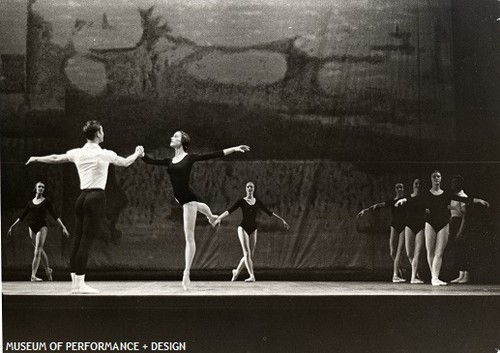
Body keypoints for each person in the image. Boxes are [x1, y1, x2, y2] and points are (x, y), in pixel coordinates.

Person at [26, 120, 144, 294]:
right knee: (86, 241)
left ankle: (75, 283)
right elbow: (126, 162)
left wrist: (36, 158)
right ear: (97, 134)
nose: (104, 133)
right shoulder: (105, 154)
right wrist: (137, 153)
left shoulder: (77, 153)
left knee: (78, 239)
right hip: (95, 198)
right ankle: (80, 283)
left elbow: (55, 158)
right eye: (102, 131)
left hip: (81, 198)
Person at [142, 130, 250, 290]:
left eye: (176, 136)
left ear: (183, 141)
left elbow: (213, 155)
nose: (172, 137)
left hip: (188, 200)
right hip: (182, 199)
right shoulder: (170, 160)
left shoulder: (189, 158)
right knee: (201, 207)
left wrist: (234, 148)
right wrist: (141, 154)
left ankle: (186, 272)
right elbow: (150, 161)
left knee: (189, 237)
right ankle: (212, 217)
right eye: (172, 135)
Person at [396, 170, 489, 286]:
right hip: (430, 223)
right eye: (434, 176)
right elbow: (415, 199)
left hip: (443, 224)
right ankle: (434, 276)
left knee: (439, 252)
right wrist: (403, 200)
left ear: (441, 179)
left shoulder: (446, 194)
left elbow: (464, 199)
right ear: (431, 179)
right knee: (430, 251)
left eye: (438, 176)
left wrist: (478, 200)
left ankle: (435, 277)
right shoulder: (427, 194)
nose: (436, 178)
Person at [214, 181, 289, 282]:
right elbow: (230, 210)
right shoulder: (241, 201)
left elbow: (269, 212)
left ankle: (236, 271)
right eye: (248, 186)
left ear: (254, 189)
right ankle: (252, 275)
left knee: (249, 255)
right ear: (246, 189)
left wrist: (281, 219)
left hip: (253, 229)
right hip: (243, 228)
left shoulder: (257, 202)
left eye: (251, 187)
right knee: (246, 253)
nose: (250, 188)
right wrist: (219, 217)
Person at [7, 181, 70, 281]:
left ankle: (33, 275)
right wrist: (12, 226)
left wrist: (64, 227)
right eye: (39, 187)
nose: (41, 188)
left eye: (43, 187)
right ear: (35, 188)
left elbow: (55, 215)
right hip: (31, 227)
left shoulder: (46, 201)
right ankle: (48, 270)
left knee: (37, 250)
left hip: (42, 227)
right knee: (39, 250)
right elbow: (22, 216)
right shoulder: (30, 202)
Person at [358, 183, 407, 283]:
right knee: (392, 251)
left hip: (403, 227)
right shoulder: (392, 201)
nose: (399, 189)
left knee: (399, 251)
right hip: (394, 226)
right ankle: (400, 267)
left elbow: (416, 205)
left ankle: (395, 275)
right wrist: (365, 210)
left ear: (403, 189)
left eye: (401, 187)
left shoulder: (406, 200)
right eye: (397, 187)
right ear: (395, 189)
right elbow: (378, 206)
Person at [448, 175, 470, 284]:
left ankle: (465, 276)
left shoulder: (463, 196)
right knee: (458, 250)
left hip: (460, 223)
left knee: (462, 250)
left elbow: (465, 215)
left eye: (455, 183)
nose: (453, 185)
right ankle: (460, 275)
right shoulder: (454, 196)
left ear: (459, 184)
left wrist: (460, 231)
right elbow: (452, 210)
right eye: (452, 183)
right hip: (454, 222)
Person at [404, 178, 426, 284]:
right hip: (409, 225)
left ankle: (413, 277)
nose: (418, 185)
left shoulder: (424, 198)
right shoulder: (408, 198)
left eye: (419, 184)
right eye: (416, 183)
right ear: (413, 185)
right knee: (409, 253)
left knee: (417, 253)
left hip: (420, 226)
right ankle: (416, 272)